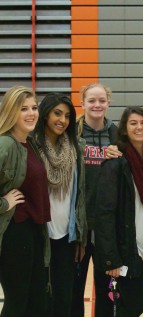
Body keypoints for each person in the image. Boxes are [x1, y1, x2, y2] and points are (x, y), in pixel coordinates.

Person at [95, 106, 143, 316]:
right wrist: (111, 259)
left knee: (137, 304)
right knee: (124, 308)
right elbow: (104, 214)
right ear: (124, 128)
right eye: (133, 123)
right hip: (124, 253)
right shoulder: (115, 162)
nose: (139, 127)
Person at [33, 93, 87, 317]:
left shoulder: (76, 149)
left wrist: (81, 237)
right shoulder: (31, 148)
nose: (62, 120)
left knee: (64, 300)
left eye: (67, 116)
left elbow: (81, 196)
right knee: (39, 299)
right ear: (45, 114)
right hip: (39, 234)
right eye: (57, 113)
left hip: (67, 236)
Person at [0, 86, 51, 316]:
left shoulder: (30, 145)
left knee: (36, 302)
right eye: (23, 109)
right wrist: (4, 203)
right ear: (11, 112)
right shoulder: (6, 145)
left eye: (34, 107)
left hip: (33, 232)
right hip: (14, 233)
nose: (31, 113)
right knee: (18, 303)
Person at [71, 83, 118, 317]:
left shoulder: (118, 135)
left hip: (107, 229)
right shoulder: (72, 135)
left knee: (107, 291)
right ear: (83, 103)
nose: (97, 105)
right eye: (92, 100)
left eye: (102, 100)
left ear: (108, 102)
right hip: (79, 226)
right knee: (74, 290)